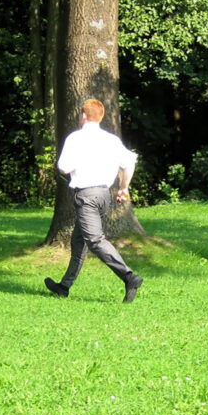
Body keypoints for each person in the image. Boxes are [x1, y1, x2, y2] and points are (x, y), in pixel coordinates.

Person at [44, 98, 144, 303]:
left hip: (86, 196)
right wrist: (124, 187)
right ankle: (64, 286)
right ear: (100, 117)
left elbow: (63, 167)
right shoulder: (111, 140)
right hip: (103, 196)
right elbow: (130, 162)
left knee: (95, 240)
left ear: (83, 116)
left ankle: (129, 277)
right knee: (79, 241)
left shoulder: (75, 139)